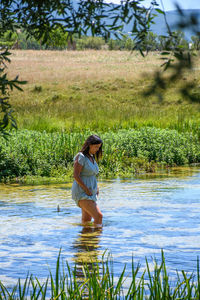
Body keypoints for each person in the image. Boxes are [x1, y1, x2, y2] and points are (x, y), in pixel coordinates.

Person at [72, 134, 103, 227]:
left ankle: (86, 240)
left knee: (86, 220)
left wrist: (96, 188)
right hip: (82, 192)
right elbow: (76, 175)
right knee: (99, 216)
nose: (97, 149)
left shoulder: (91, 156)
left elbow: (92, 175)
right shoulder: (81, 156)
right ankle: (97, 240)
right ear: (89, 145)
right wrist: (86, 190)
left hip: (90, 192)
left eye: (99, 147)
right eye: (96, 147)